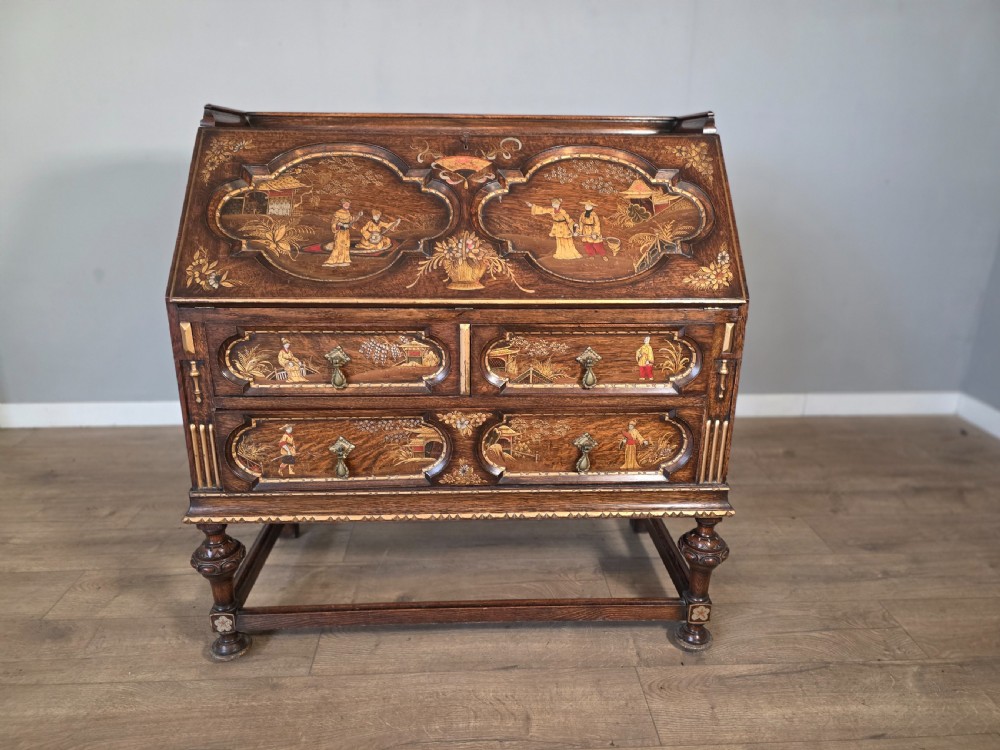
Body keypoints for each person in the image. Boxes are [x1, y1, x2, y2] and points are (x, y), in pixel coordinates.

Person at [323, 200, 358, 267]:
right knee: (338, 245)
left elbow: (350, 221)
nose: (347, 205)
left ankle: (344, 260)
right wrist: (341, 225)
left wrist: (353, 220)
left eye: (348, 204)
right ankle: (335, 260)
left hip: (346, 232)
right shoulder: (338, 213)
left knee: (346, 245)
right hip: (340, 232)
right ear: (342, 204)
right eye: (345, 204)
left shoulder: (348, 212)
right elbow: (334, 223)